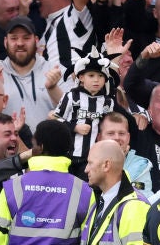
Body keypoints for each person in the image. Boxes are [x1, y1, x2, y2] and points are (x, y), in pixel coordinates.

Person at [52, 51, 127, 179]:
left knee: (85, 190)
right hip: (67, 155)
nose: (96, 80)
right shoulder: (70, 96)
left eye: (100, 76)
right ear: (81, 77)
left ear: (106, 79)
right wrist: (74, 127)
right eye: (91, 75)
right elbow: (55, 120)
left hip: (92, 159)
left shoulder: (108, 102)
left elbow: (110, 126)